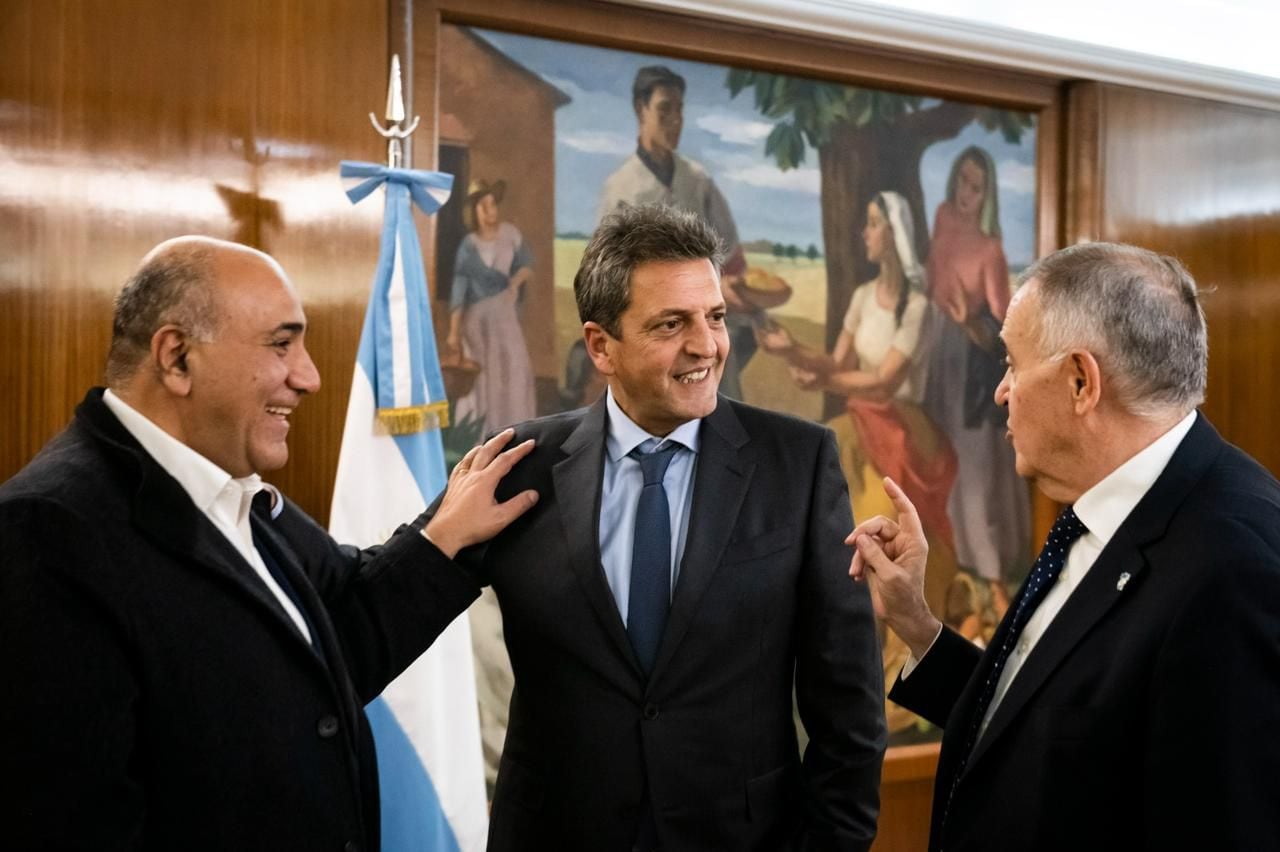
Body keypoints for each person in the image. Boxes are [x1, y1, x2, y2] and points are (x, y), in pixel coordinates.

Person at [0, 236, 538, 850]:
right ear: (177, 358)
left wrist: (447, 537)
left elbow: (343, 633)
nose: (307, 377)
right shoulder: (45, 533)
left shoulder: (232, 492)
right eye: (282, 345)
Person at [428, 203, 886, 850]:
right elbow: (393, 591)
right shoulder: (517, 468)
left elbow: (850, 714)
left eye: (716, 317)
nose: (706, 345)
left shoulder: (800, 464)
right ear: (600, 346)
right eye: (672, 324)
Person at [850, 242, 1280, 851]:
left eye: (1011, 363)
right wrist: (920, 628)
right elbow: (1052, 726)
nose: (1001, 391)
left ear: (1081, 381)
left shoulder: (1236, 571)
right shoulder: (1104, 504)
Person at [758, 190, 958, 741]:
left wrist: (822, 379)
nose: (865, 234)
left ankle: (902, 681)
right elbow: (839, 365)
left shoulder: (917, 306)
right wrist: (789, 350)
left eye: (872, 224)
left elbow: (885, 381)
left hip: (904, 427)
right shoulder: (862, 297)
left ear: (893, 232)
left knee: (887, 540)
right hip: (860, 423)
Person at [598, 64, 760, 400]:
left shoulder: (697, 180)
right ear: (640, 110)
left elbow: (731, 257)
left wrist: (727, 288)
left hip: (705, 321)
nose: (675, 119)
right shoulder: (621, 188)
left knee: (720, 402)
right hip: (650, 323)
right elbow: (609, 277)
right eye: (664, 109)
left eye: (680, 109)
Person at [923, 145, 1030, 592]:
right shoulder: (944, 218)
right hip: (937, 352)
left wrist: (969, 322)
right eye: (962, 181)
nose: (966, 193)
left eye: (976, 186)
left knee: (974, 465)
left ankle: (991, 579)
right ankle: (953, 564)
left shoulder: (991, 249)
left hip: (971, 361)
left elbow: (1005, 329)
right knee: (940, 455)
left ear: (987, 195)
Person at [447, 177, 537, 433]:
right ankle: (483, 437)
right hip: (476, 321)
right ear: (473, 211)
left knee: (513, 370)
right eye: (483, 206)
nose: (490, 212)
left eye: (493, 205)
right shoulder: (468, 246)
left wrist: (515, 284)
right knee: (483, 377)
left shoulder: (511, 235)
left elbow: (526, 265)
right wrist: (453, 333)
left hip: (504, 316)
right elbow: (459, 289)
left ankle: (515, 433)